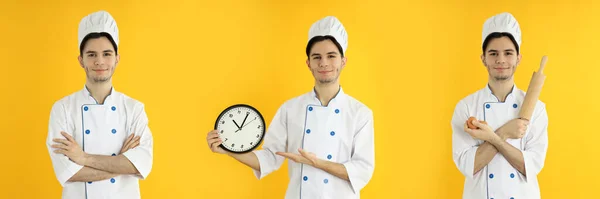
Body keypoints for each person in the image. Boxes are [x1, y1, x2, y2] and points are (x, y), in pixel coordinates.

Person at [206, 16, 375, 199]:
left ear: (343, 61)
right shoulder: (290, 109)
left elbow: (362, 170)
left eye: (331, 56)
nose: (324, 63)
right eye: (316, 57)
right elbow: (269, 158)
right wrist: (229, 150)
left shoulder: (360, 113)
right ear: (308, 63)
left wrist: (316, 163)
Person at [46, 10, 153, 199]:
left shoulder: (134, 109)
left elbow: (140, 165)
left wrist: (83, 158)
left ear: (117, 58)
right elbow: (69, 173)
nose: (100, 61)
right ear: (81, 60)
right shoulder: (62, 109)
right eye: (91, 54)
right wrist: (121, 162)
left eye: (107, 53)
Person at [451, 12, 549, 199]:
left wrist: (491, 139)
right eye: (493, 53)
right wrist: (504, 132)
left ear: (518, 58)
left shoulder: (537, 109)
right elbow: (469, 165)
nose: (501, 60)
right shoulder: (466, 107)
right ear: (483, 58)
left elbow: (530, 166)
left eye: (508, 53)